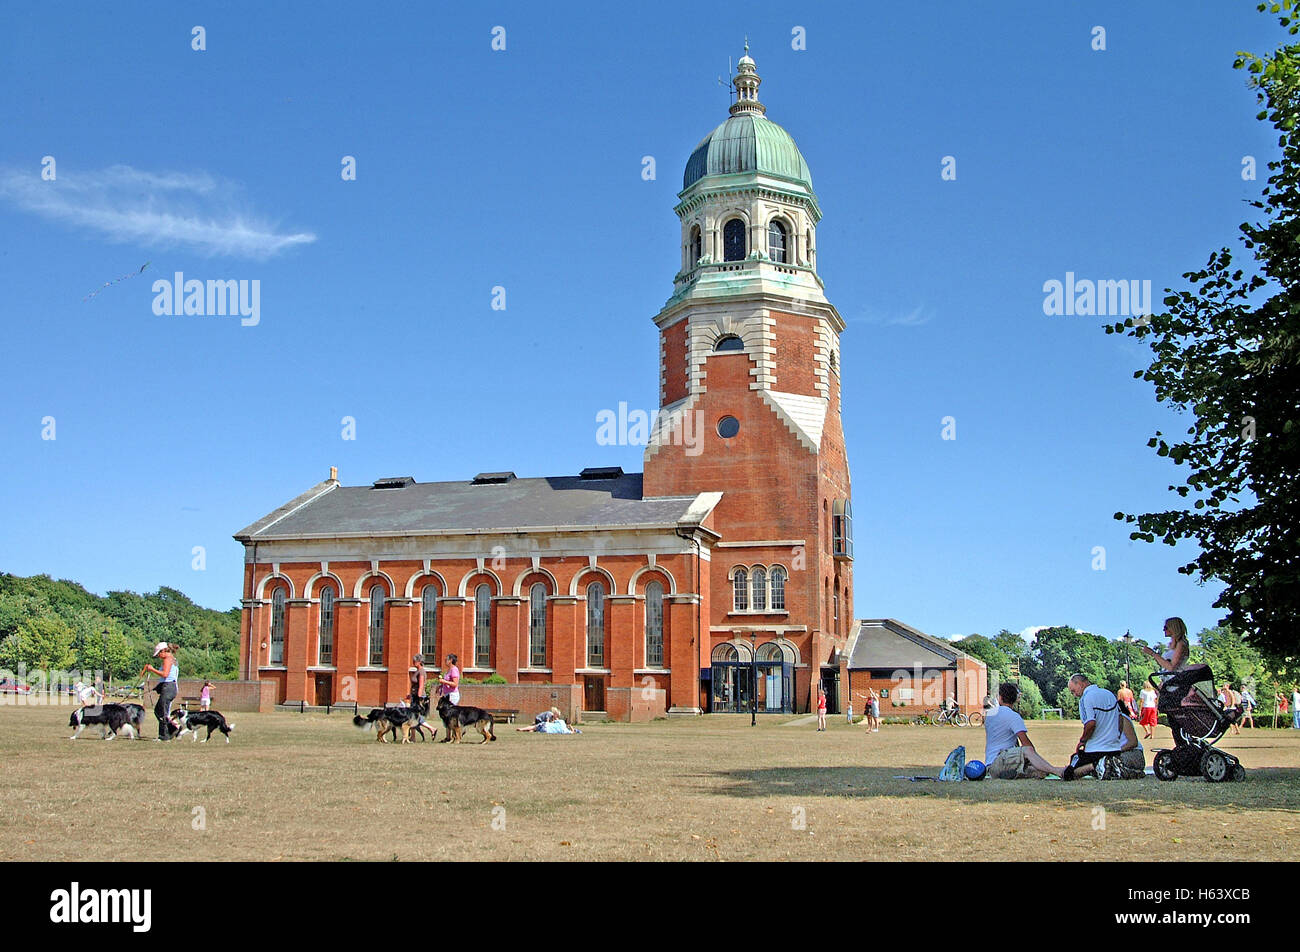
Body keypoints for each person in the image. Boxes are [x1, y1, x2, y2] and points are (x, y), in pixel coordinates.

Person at [982, 682, 1063, 779]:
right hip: (1000, 761)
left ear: (1000, 697)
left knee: (1040, 772)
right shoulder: (1013, 716)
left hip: (992, 765)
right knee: (1028, 750)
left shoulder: (990, 715)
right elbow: (1026, 745)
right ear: (1016, 699)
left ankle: (1016, 774)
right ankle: (1057, 771)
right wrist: (1034, 758)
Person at [1063, 674, 1125, 780]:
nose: (1074, 695)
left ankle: (1096, 766)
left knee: (1069, 773)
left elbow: (1091, 724)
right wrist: (1117, 736)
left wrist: (1083, 740)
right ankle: (1107, 765)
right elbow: (1120, 718)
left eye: (1073, 691)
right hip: (1114, 748)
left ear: (1080, 684)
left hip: (1095, 749)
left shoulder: (1085, 698)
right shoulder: (1109, 694)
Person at [140, 642, 179, 740]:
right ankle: (171, 729)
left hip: (169, 687)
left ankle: (164, 736)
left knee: (162, 712)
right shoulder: (172, 659)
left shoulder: (168, 659)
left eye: (159, 654)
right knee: (158, 711)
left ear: (163, 651)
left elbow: (165, 674)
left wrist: (152, 669)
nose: (158, 656)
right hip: (169, 687)